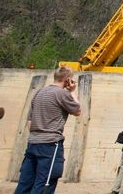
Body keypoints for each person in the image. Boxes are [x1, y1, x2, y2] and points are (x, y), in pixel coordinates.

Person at [14, 66, 81, 194]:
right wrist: (72, 91)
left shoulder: (38, 93)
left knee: (25, 183)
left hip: (33, 142)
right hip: (50, 145)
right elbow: (78, 110)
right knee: (44, 184)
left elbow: (29, 122)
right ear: (67, 80)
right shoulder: (62, 94)